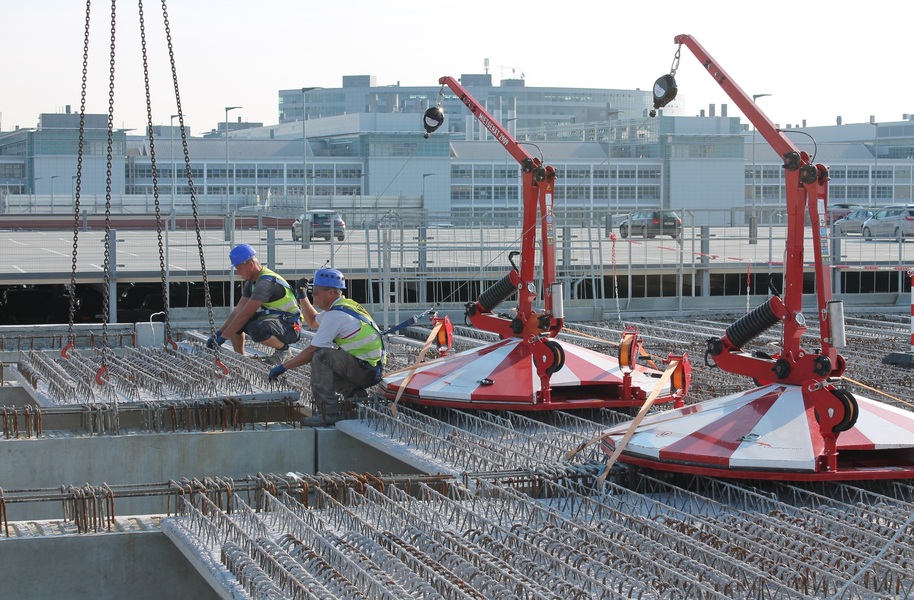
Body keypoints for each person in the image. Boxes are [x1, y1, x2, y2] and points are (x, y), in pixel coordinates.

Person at [268, 268, 385, 426]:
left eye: (316, 292)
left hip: (365, 370)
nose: (313, 295)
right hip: (369, 368)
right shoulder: (344, 306)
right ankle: (357, 398)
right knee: (331, 359)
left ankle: (327, 413)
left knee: (321, 357)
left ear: (330, 292)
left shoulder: (335, 315)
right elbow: (312, 321)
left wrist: (282, 367)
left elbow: (312, 351)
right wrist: (302, 296)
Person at [207, 243, 302, 365]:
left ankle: (283, 350)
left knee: (256, 328)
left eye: (239, 268)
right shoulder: (252, 283)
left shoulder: (265, 283)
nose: (238, 273)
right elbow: (238, 311)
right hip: (277, 321)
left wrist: (223, 338)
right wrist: (219, 334)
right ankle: (241, 358)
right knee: (237, 322)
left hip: (291, 327)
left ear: (250, 264)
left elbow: (246, 313)